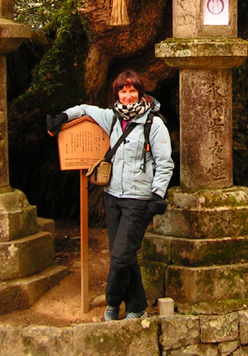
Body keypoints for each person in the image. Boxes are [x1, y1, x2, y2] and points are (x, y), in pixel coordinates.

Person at [46, 70, 173, 321]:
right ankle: (137, 307)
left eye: (132, 90)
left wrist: (158, 195)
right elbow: (84, 108)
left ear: (140, 92)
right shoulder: (112, 118)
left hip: (138, 199)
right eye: (122, 91)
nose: (127, 96)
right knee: (124, 255)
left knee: (120, 256)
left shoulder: (153, 123)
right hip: (112, 195)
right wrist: (62, 117)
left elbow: (164, 162)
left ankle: (113, 302)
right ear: (117, 93)